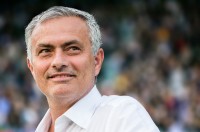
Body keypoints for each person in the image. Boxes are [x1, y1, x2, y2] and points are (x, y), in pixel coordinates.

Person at [25, 6, 160, 132]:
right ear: (31, 67)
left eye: (73, 49)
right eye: (45, 51)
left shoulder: (122, 117)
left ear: (97, 61)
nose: (58, 62)